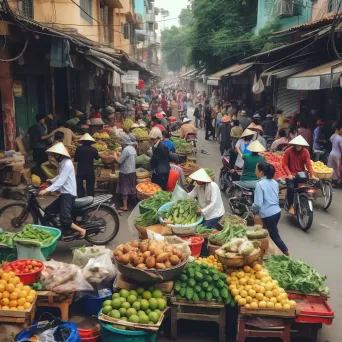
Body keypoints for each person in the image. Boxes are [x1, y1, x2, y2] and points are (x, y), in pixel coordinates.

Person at [39, 143, 86, 237]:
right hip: (64, 193)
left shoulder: (67, 163)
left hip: (68, 194)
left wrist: (47, 190)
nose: (54, 157)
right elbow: (60, 176)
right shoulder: (63, 163)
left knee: (65, 219)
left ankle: (82, 230)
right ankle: (55, 231)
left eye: (55, 155)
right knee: (48, 211)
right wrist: (50, 182)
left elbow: (61, 181)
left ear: (60, 154)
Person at [252, 161, 290, 255]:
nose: (255, 171)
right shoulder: (274, 182)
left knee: (274, 236)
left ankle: (288, 254)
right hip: (277, 212)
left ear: (261, 172)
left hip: (268, 214)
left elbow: (258, 204)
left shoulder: (259, 184)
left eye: (256, 170)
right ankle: (267, 252)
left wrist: (253, 210)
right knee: (268, 233)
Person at [282, 135, 316, 215]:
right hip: (291, 175)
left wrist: (312, 174)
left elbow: (308, 165)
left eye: (300, 145)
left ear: (302, 145)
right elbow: (284, 165)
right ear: (294, 144)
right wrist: (289, 174)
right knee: (291, 189)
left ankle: (303, 202)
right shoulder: (288, 151)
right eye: (297, 145)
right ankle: (291, 206)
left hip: (302, 175)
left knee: (305, 189)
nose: (298, 146)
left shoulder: (306, 152)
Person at [74, 133, 99, 198]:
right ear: (91, 142)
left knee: (80, 187)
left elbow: (75, 159)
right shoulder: (93, 149)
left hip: (80, 171)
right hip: (90, 171)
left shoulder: (78, 149)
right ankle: (90, 200)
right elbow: (97, 158)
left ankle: (81, 199)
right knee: (90, 187)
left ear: (82, 142)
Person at [116, 135, 137, 211]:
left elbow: (119, 161)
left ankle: (125, 206)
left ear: (124, 143)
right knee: (132, 187)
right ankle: (134, 203)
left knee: (124, 188)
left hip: (125, 172)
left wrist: (115, 156)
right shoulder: (133, 148)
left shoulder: (125, 150)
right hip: (132, 171)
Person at [327, 121, 342, 186]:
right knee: (339, 169)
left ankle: (333, 181)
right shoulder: (340, 138)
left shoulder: (333, 136)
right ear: (340, 129)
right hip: (338, 155)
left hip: (331, 154)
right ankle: (338, 182)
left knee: (332, 168)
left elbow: (330, 140)